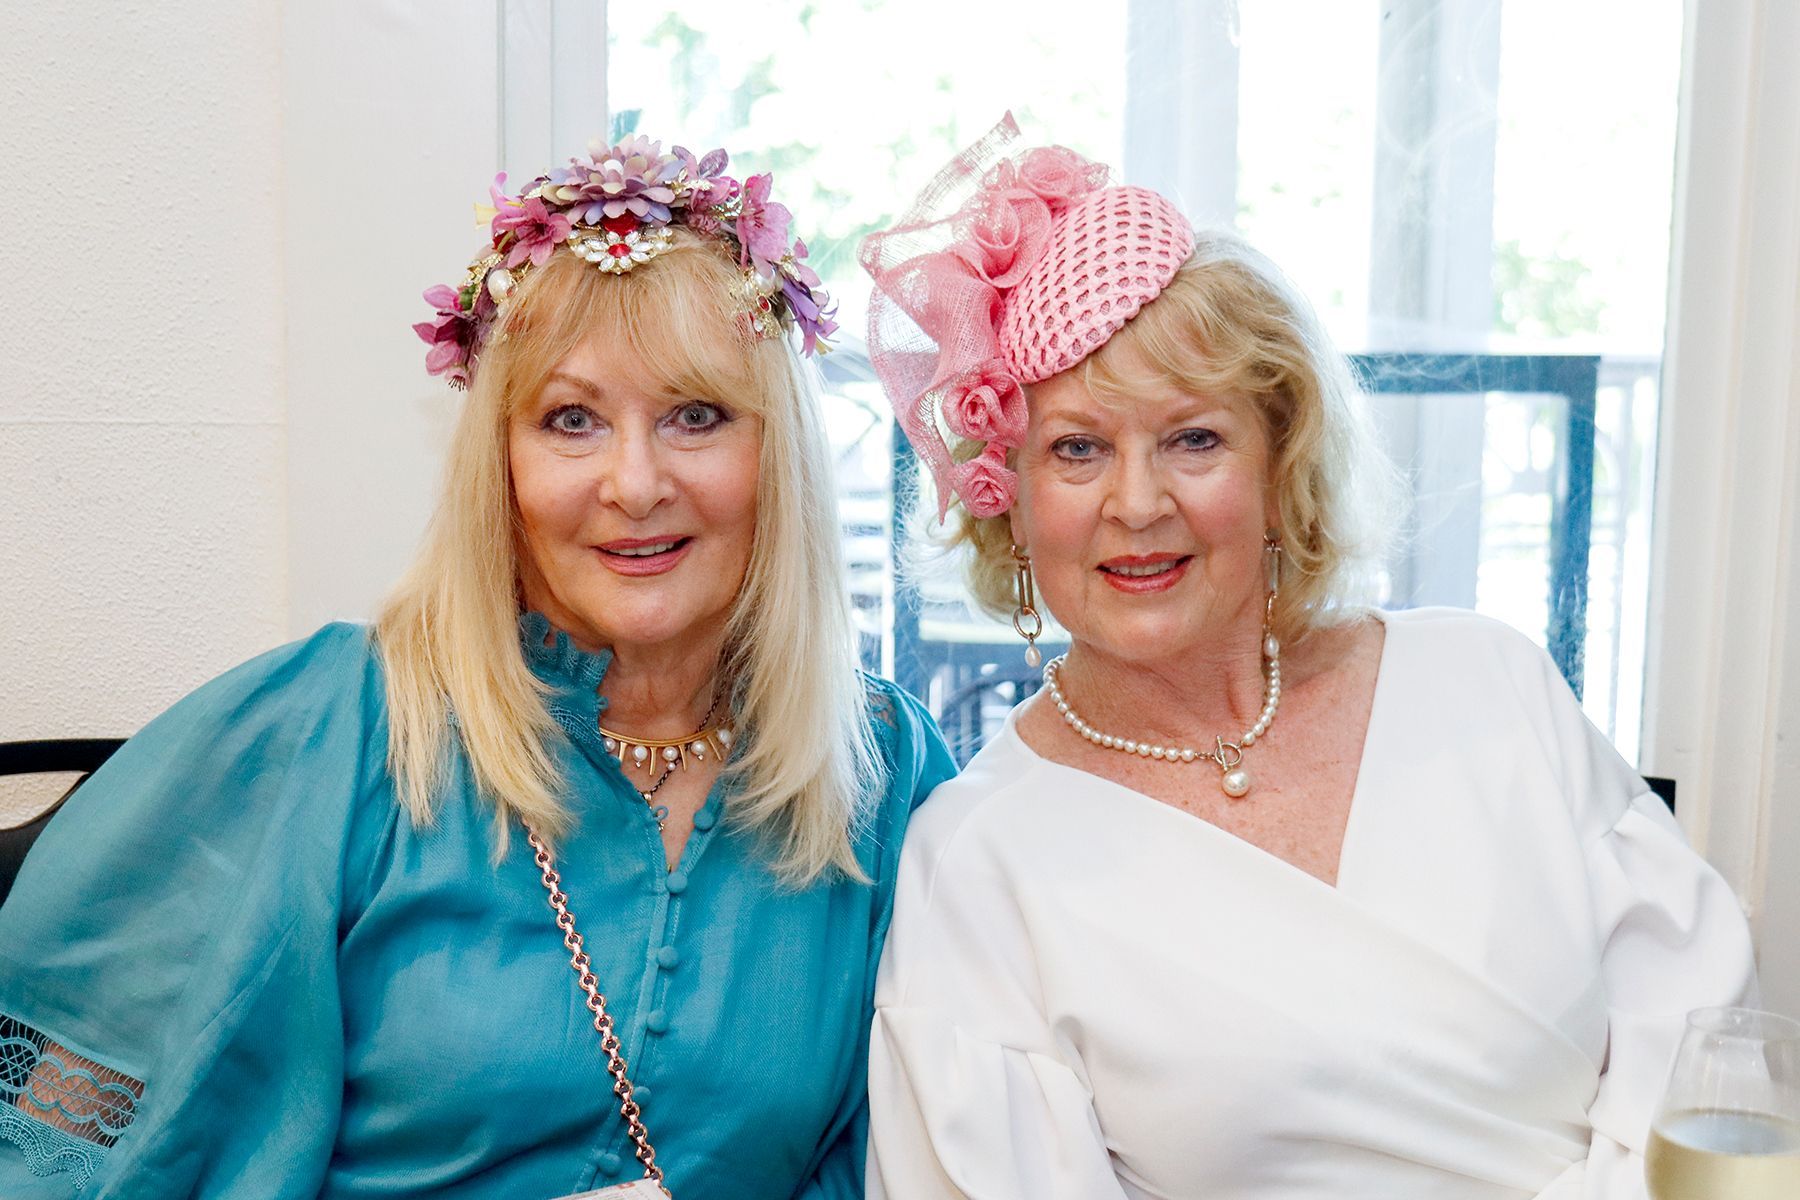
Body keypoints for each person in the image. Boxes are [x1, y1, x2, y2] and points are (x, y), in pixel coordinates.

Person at [0, 133, 954, 1199]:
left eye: (696, 415)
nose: (635, 483)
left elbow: (910, 1153)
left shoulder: (883, 771)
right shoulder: (336, 728)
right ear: (499, 460)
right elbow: (61, 1121)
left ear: (774, 449)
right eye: (571, 420)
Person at [857, 115, 1756, 1198]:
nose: (1137, 504)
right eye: (1079, 449)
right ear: (1010, 504)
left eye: (1193, 438)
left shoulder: (1492, 687)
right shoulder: (976, 862)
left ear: (1281, 464)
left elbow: (1698, 1052)